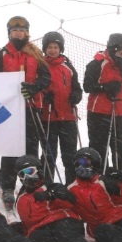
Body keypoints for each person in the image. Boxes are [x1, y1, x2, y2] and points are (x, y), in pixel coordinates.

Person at [12, 155, 104, 242]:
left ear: (38, 171)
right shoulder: (21, 198)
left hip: (62, 219)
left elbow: (69, 198)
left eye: (30, 172)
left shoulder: (50, 186)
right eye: (22, 175)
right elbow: (27, 221)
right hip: (40, 227)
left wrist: (52, 194)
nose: (27, 177)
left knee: (65, 234)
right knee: (38, 238)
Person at [0, 16, 51, 212]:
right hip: (10, 110)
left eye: (22, 30)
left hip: (31, 107)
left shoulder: (34, 53)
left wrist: (34, 88)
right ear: (9, 32)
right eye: (15, 30)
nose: (19, 33)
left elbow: (46, 77)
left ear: (27, 32)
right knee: (10, 149)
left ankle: (30, 183)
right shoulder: (4, 53)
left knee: (30, 148)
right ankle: (7, 186)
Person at [82, 33, 122, 174]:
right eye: (120, 53)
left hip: (119, 112)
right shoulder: (97, 63)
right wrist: (105, 87)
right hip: (98, 113)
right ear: (113, 49)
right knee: (99, 148)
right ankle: (99, 178)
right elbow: (87, 86)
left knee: (120, 149)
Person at [37, 32, 82, 185]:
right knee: (49, 154)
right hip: (48, 117)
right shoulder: (40, 64)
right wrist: (44, 95)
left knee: (70, 154)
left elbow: (77, 87)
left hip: (67, 117)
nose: (53, 50)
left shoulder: (67, 66)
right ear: (45, 48)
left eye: (56, 47)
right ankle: (47, 184)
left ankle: (71, 184)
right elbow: (37, 86)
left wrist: (76, 96)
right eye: (50, 47)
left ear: (60, 49)